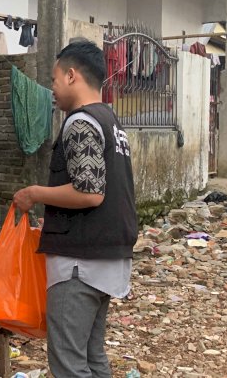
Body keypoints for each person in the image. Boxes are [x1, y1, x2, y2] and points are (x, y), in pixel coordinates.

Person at [13, 40, 137, 377]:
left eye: (53, 80)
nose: (51, 89)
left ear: (71, 76)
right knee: (92, 356)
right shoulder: (110, 119)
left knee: (68, 363)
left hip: (81, 264)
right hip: (108, 258)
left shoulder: (80, 122)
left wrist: (35, 193)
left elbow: (90, 192)